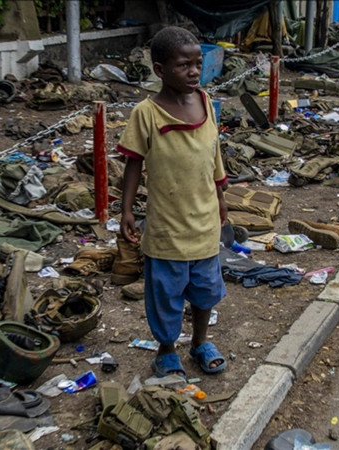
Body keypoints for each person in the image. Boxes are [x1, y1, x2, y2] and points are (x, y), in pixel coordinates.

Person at [116, 26, 228, 378]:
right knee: (165, 295)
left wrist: (222, 200)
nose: (194, 71)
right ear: (160, 70)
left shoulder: (206, 103)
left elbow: (214, 156)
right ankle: (166, 350)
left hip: (205, 225)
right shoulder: (146, 114)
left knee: (205, 293)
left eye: (198, 63)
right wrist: (126, 210)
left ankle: (199, 342)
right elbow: (134, 162)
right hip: (166, 228)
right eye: (184, 65)